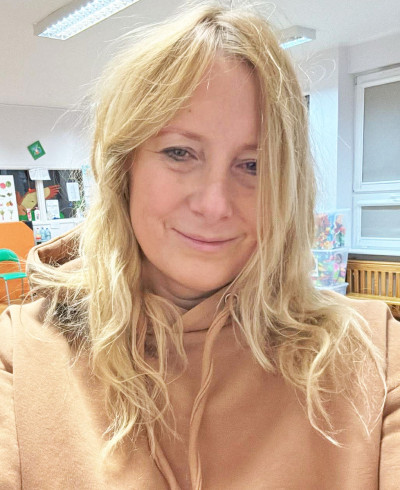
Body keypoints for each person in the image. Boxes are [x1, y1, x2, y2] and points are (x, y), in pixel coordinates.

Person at [1, 3, 399, 489]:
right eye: (180, 153)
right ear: (125, 168)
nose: (214, 204)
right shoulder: (22, 356)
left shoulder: (374, 355)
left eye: (252, 165)